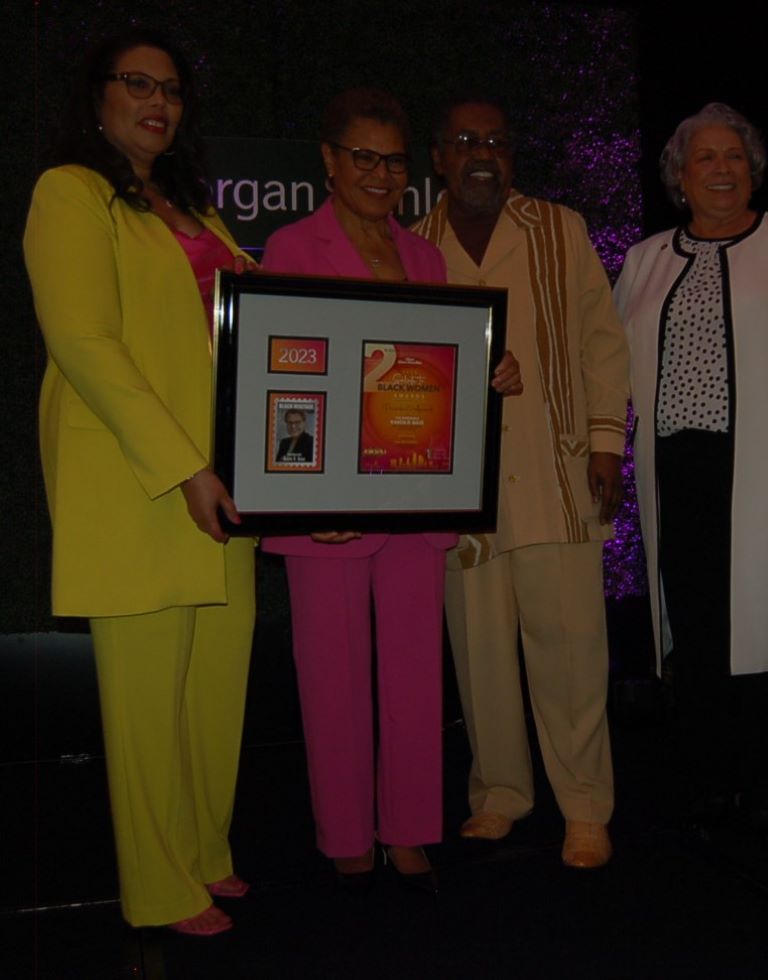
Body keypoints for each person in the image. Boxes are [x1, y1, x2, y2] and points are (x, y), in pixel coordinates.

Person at [23, 28, 256, 935]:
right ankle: (157, 889)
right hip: (140, 477)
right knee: (147, 696)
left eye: (170, 90)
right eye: (136, 84)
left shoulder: (195, 209)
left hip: (222, 482)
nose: (156, 102)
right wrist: (184, 465)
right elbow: (83, 340)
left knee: (214, 686)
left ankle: (204, 854)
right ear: (98, 98)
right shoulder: (69, 192)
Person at [262, 88, 523, 892]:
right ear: (330, 161)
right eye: (363, 157)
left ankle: (409, 826)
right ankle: (344, 830)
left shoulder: (426, 258)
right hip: (327, 512)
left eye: (393, 160)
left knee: (414, 675)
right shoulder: (290, 246)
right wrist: (313, 497)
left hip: (412, 496)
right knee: (331, 679)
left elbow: (427, 378)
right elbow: (283, 379)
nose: (380, 174)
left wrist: (487, 377)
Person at [613, 102, 768, 826]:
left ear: (752, 170)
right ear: (679, 178)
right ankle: (708, 770)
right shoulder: (645, 259)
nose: (722, 170)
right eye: (705, 159)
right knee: (693, 621)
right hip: (676, 469)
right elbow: (605, 359)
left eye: (734, 157)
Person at [414, 98, 629, 867]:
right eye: (466, 140)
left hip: (555, 471)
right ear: (437, 156)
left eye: (498, 142)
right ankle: (500, 794)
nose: (483, 154)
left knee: (570, 650)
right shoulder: (415, 247)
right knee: (479, 655)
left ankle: (584, 806)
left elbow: (604, 341)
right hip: (460, 490)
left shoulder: (560, 229)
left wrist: (607, 441)